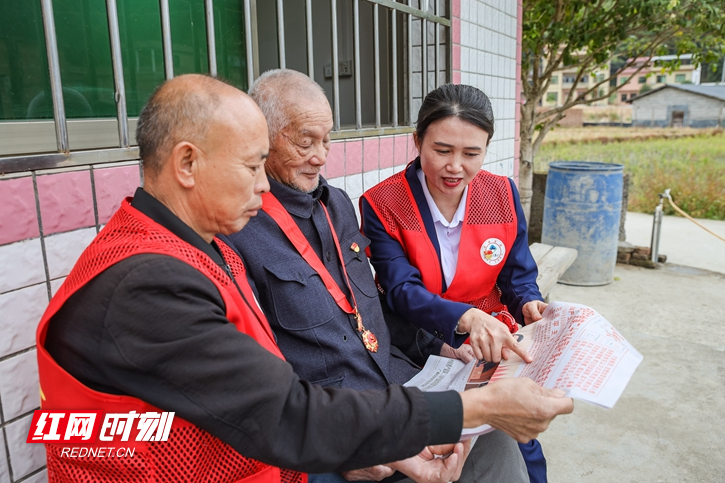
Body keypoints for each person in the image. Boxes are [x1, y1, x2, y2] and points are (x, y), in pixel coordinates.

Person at [36, 74, 572, 483]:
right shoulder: (149, 283)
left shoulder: (194, 242)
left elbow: (360, 315)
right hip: (278, 457)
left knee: (492, 449)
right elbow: (283, 413)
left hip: (324, 425)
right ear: (187, 164)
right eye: (252, 166)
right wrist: (465, 410)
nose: (262, 185)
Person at [229, 69, 551, 483]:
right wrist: (335, 441)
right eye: (305, 142)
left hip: (405, 375)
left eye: (327, 140)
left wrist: (444, 343)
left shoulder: (336, 204)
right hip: (338, 408)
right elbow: (399, 291)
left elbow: (368, 304)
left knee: (503, 438)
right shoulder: (243, 225)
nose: (321, 156)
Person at [361, 84, 551, 482]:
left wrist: (529, 303)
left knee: (519, 436)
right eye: (442, 150)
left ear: (486, 148)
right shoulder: (383, 203)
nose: (455, 167)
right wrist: (465, 319)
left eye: (471, 154)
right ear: (417, 141)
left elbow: (517, 273)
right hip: (419, 343)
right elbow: (400, 289)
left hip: (492, 340)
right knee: (440, 446)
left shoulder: (501, 193)